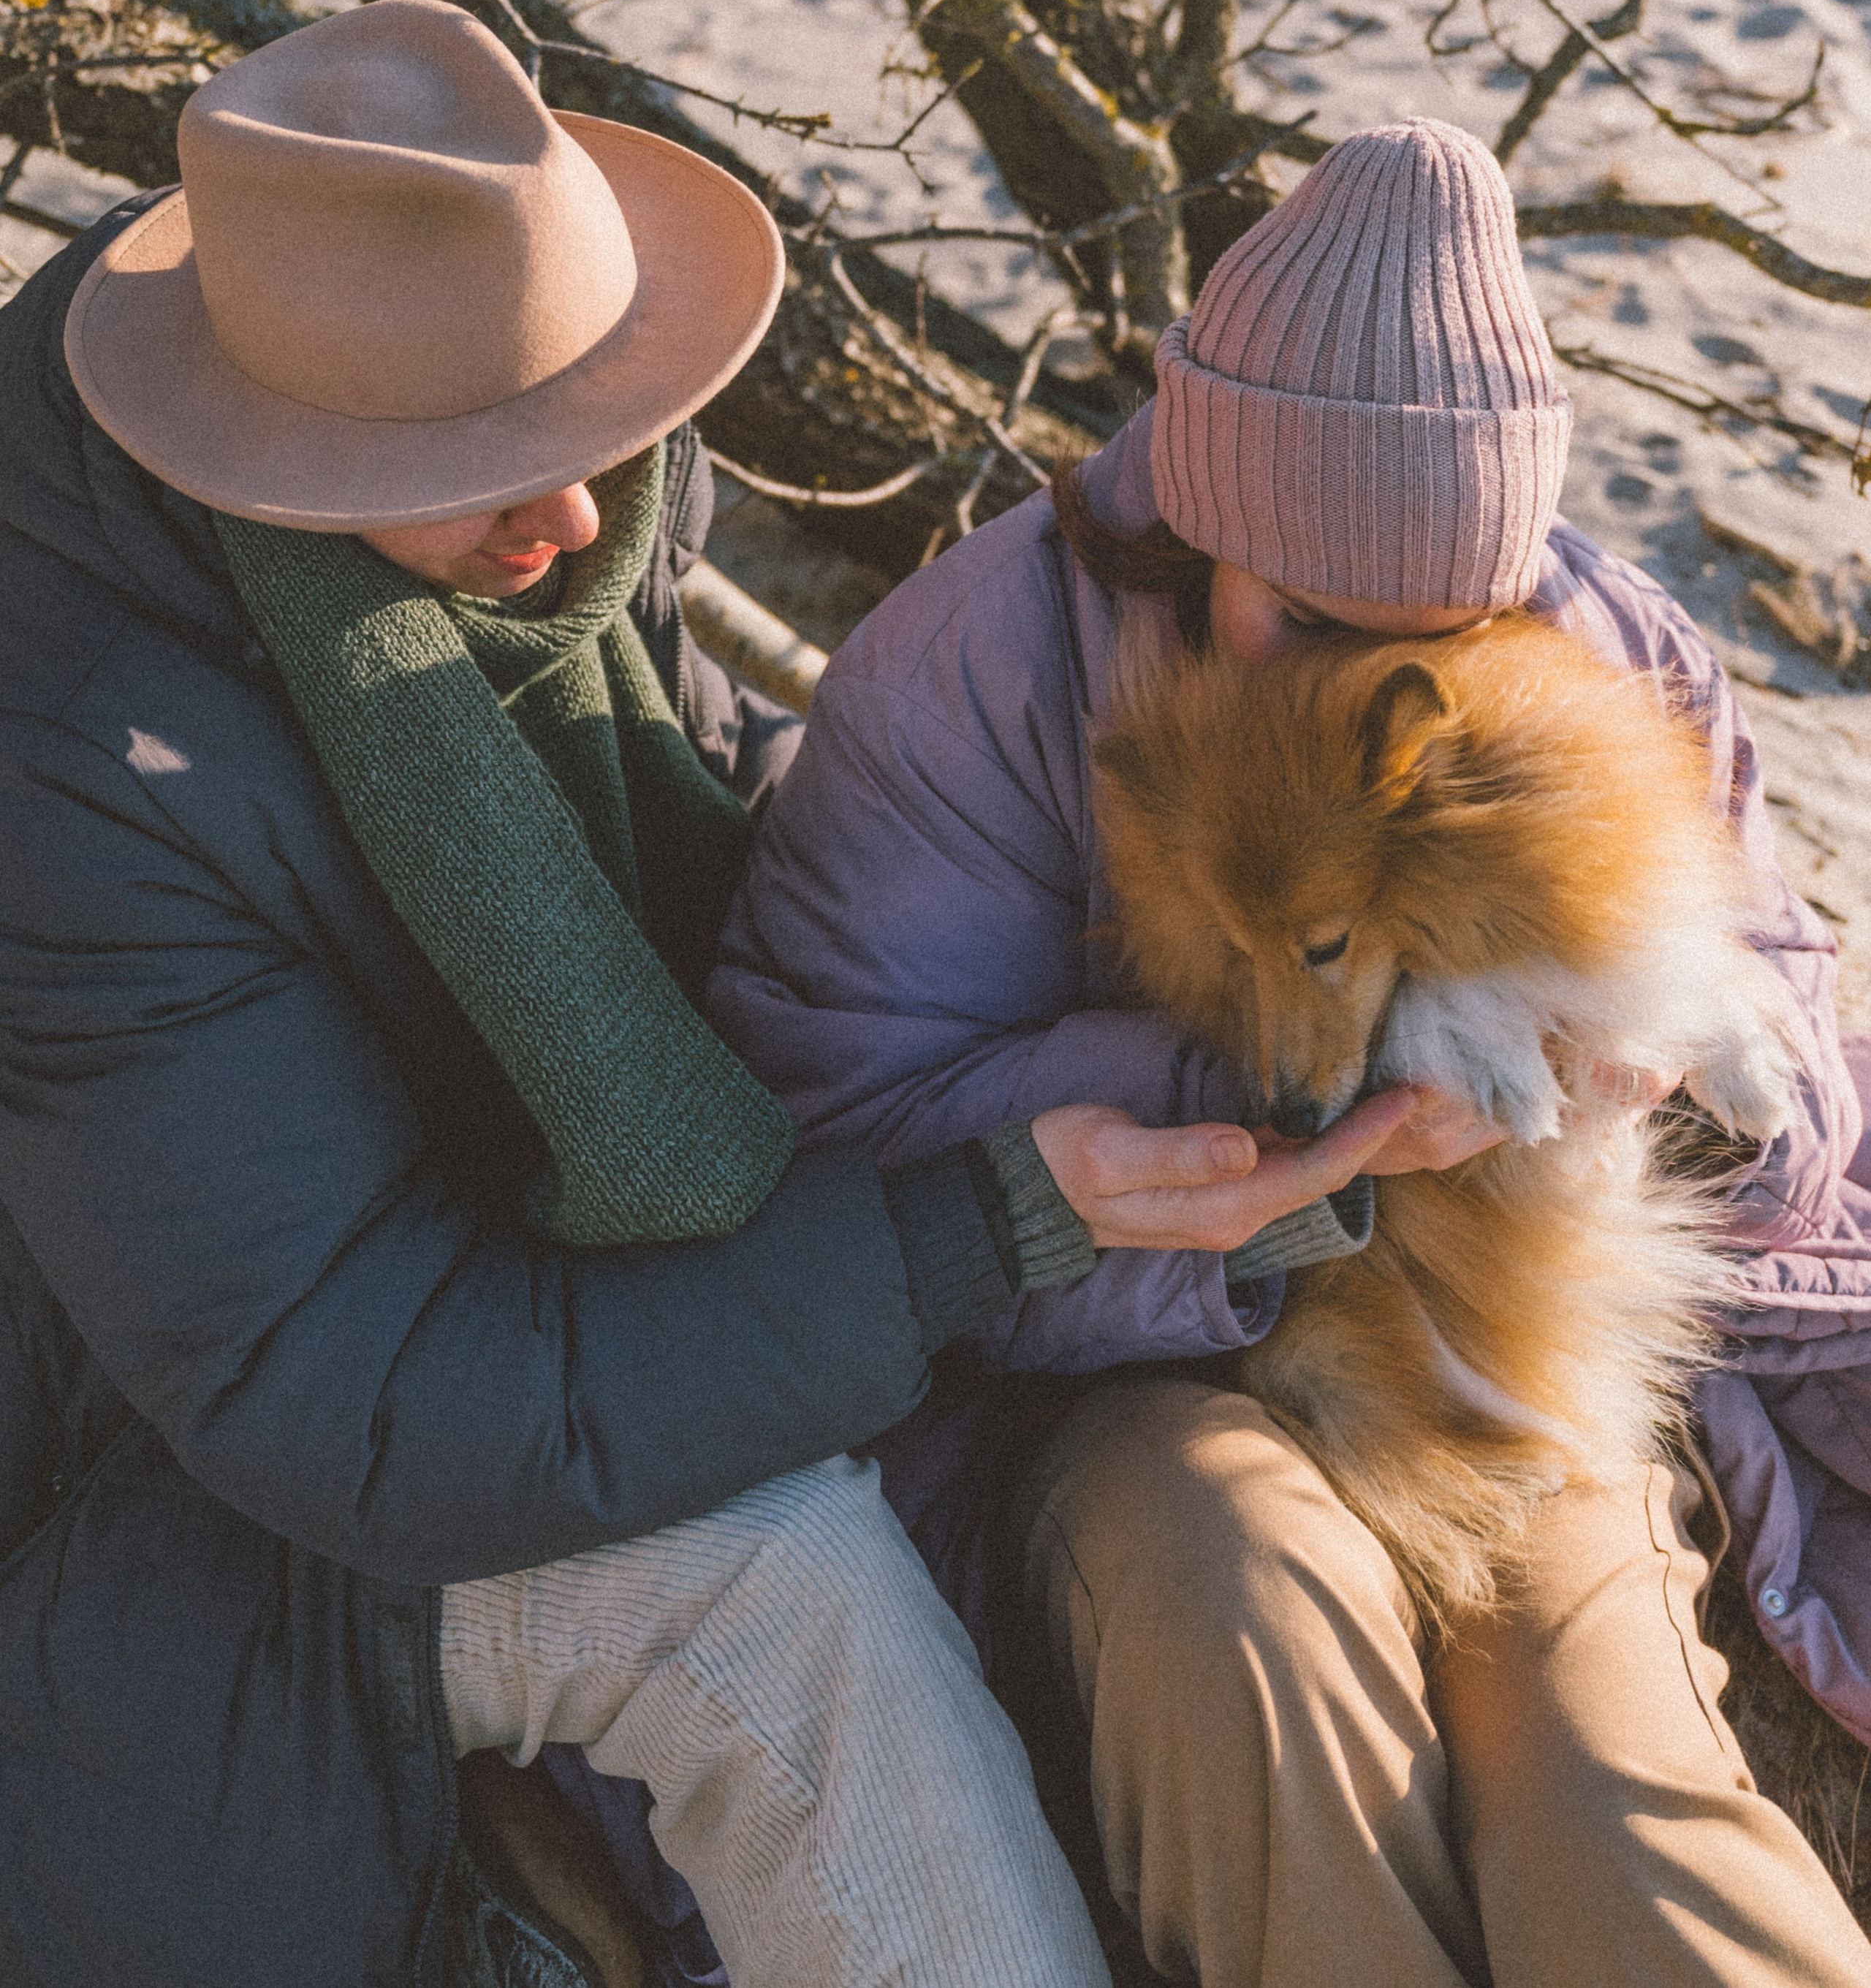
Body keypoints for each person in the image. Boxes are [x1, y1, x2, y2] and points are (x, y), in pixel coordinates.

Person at [0, 0, 1121, 1988]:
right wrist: (981, 1220)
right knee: (785, 1577)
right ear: (271, 454)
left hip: (438, 1319)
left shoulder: (531, 548)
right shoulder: (86, 768)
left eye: (586, 427)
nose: (581, 516)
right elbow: (347, 1405)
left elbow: (696, 833)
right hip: (176, 1511)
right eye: (488, 465)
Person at [711, 117, 1871, 1988]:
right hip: (1105, 1382)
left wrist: (1656, 1075)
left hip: (1488, 1344)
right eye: (1301, 615)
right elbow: (836, 1138)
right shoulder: (968, 680)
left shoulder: (1595, 640)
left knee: (1604, 1766)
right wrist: (1267, 1114)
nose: (1345, 672)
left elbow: (1787, 1059)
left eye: (1425, 632)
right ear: (1198, 512)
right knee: (1237, 1627)